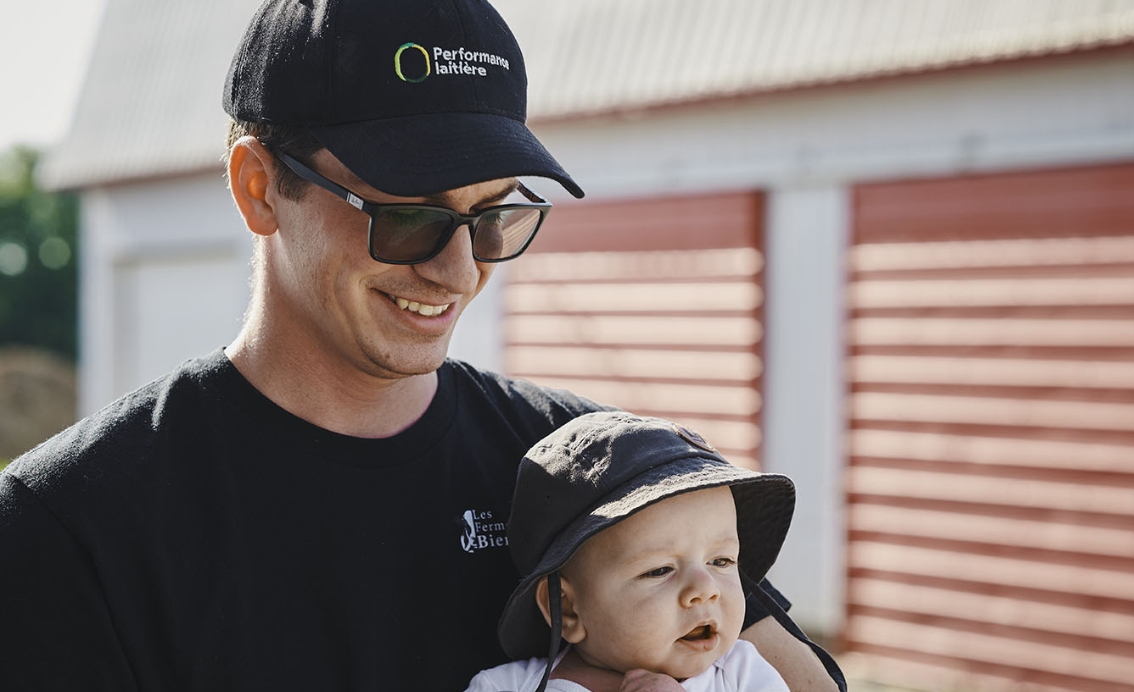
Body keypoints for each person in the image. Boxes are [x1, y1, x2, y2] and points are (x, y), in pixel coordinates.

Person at [0, 1, 845, 691]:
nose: (459, 269)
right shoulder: (74, 526)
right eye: (408, 215)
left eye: (494, 216)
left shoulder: (593, 470)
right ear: (259, 189)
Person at [465, 410, 809, 692]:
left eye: (721, 561)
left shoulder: (740, 674)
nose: (706, 589)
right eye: (660, 570)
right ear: (568, 609)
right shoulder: (506, 686)